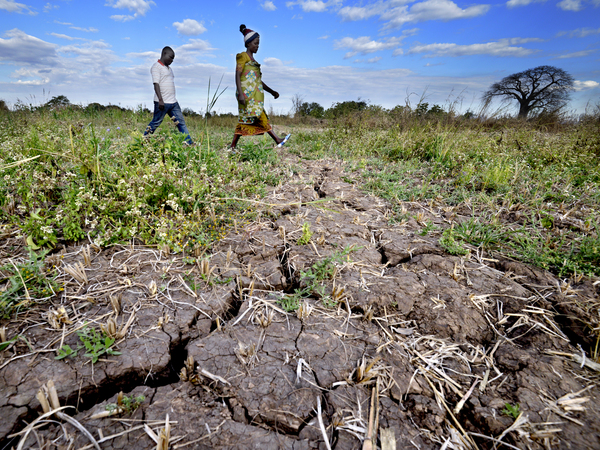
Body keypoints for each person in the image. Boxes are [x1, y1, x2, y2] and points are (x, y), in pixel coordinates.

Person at [230, 24, 290, 150]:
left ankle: (233, 145)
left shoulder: (255, 63)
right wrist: (240, 93)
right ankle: (277, 139)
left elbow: (258, 81)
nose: (257, 46)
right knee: (259, 115)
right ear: (248, 44)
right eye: (255, 44)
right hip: (246, 95)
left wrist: (272, 92)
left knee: (246, 119)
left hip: (255, 95)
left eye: (258, 44)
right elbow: (237, 74)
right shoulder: (243, 57)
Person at [144, 46, 194, 145]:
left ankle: (189, 143)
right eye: (170, 57)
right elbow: (156, 84)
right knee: (155, 123)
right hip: (162, 102)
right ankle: (144, 140)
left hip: (173, 102)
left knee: (180, 123)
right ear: (164, 54)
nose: (172, 60)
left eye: (173, 59)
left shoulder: (169, 69)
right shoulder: (156, 67)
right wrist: (160, 99)